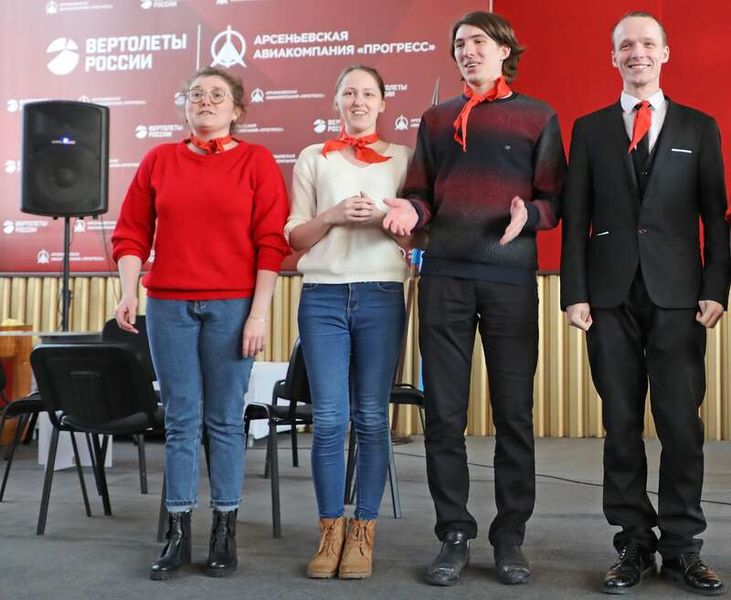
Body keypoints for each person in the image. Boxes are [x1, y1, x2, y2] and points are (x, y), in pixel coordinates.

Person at [384, 12, 565, 587]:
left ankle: (510, 537)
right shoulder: (437, 119)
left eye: (478, 42)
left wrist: (528, 214)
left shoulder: (538, 116)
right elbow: (421, 192)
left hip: (510, 280)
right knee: (443, 414)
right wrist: (410, 209)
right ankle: (454, 534)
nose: (467, 51)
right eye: (459, 44)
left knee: (514, 414)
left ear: (505, 49)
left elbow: (554, 199)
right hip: (445, 278)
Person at [560, 12, 729, 596]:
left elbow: (715, 217)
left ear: (665, 53)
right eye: (626, 45)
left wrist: (716, 287)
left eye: (648, 44)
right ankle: (632, 541)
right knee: (621, 423)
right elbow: (576, 218)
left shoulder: (700, 127)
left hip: (680, 298)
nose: (637, 53)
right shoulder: (588, 129)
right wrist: (574, 292)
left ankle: (682, 546)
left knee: (682, 424)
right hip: (608, 297)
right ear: (613, 57)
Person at [111, 66, 290, 580]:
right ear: (185, 106)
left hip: (233, 306)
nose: (205, 101)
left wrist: (258, 313)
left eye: (217, 95)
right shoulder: (159, 160)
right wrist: (129, 290)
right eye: (196, 94)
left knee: (226, 420)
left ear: (237, 109)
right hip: (169, 306)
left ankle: (224, 530)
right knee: (181, 419)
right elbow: (131, 232)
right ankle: (178, 531)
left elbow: (271, 243)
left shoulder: (256, 161)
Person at [286, 65, 411, 580]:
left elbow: (419, 235)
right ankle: (329, 530)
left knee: (373, 417)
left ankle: (364, 530)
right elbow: (295, 238)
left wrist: (389, 222)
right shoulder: (313, 157)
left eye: (368, 93)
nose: (358, 101)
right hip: (323, 296)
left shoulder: (404, 158)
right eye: (349, 93)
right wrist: (333, 215)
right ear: (335, 101)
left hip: (382, 294)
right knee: (330, 419)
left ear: (383, 102)